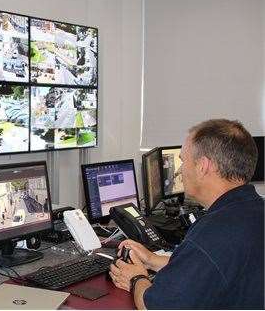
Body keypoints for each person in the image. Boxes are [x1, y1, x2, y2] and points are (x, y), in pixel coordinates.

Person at [110, 119, 264, 309]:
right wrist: (151, 260)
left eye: (183, 161)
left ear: (203, 166)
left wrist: (136, 278)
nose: (180, 170)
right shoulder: (254, 211)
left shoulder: (214, 233)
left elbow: (154, 306)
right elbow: (212, 269)